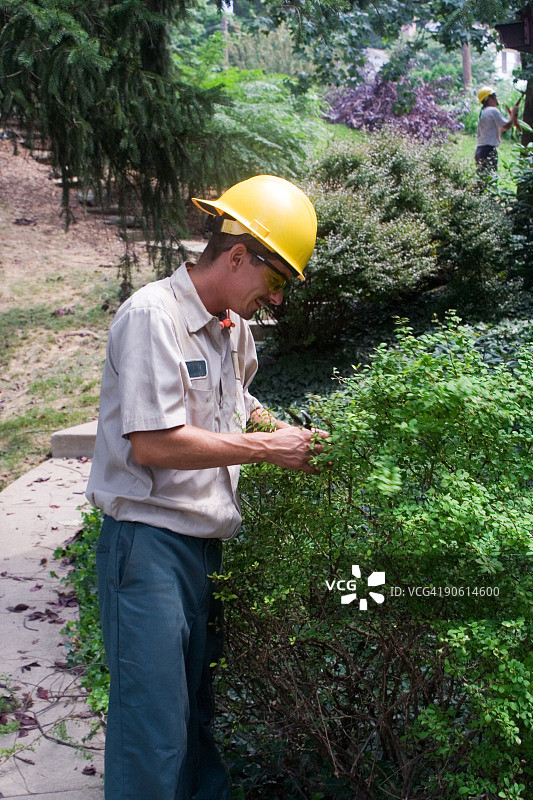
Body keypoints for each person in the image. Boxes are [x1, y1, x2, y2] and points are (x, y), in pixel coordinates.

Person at [85, 174, 327, 800]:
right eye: (276, 282)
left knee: (197, 722)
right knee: (153, 729)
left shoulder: (231, 327)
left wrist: (279, 427)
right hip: (148, 547)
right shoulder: (152, 317)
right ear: (239, 255)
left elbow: (234, 401)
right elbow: (155, 442)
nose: (275, 300)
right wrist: (266, 449)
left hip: (205, 549)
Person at [475, 86, 519, 174]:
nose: (496, 99)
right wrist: (513, 114)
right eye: (494, 96)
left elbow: (495, 130)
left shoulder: (483, 112)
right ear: (488, 99)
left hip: (480, 151)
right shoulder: (493, 110)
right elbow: (507, 126)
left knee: (482, 180)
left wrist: (511, 119)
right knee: (490, 179)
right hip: (488, 151)